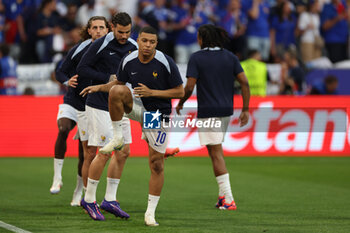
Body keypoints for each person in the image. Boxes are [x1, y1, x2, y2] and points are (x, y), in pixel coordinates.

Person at [80, 26, 184, 225]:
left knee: (156, 163)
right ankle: (118, 136)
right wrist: (99, 87)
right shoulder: (128, 60)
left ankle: (150, 213)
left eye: (152, 42)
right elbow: (117, 83)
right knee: (117, 91)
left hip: (155, 114)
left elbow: (180, 92)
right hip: (136, 107)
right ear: (139, 40)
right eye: (144, 41)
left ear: (156, 44)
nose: (147, 45)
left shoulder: (165, 62)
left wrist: (152, 93)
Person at [175, 24, 250, 211]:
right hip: (226, 110)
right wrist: (246, 109)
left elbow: (190, 86)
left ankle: (229, 199)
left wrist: (182, 102)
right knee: (215, 151)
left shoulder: (197, 58)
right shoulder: (230, 56)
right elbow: (244, 82)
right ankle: (222, 196)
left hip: (209, 111)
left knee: (215, 153)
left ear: (201, 38)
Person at [50, 16, 110, 208]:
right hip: (73, 100)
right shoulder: (79, 48)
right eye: (95, 27)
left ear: (108, 30)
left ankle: (79, 192)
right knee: (63, 128)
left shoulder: (113, 50)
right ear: (89, 30)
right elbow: (60, 71)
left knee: (85, 154)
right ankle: (57, 177)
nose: (99, 30)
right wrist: (68, 81)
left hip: (91, 105)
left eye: (102, 27)